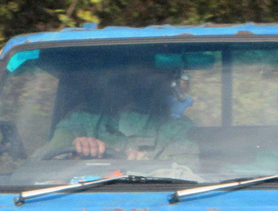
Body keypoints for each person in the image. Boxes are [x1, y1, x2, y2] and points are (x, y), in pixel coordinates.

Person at [35, 68, 198, 161]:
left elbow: (191, 179)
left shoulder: (178, 128)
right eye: (124, 80)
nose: (134, 87)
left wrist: (149, 170)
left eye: (146, 81)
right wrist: (73, 154)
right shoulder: (82, 119)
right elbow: (37, 168)